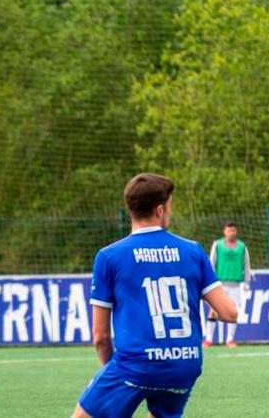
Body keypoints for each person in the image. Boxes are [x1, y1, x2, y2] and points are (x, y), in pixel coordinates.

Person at [71, 173, 238, 418]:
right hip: (184, 366)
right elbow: (229, 313)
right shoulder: (193, 251)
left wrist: (110, 370)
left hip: (134, 365)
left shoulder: (109, 256)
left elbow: (101, 336)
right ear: (160, 211)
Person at [204, 222, 252, 348]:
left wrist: (246, 283)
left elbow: (246, 265)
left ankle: (230, 339)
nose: (231, 233)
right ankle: (208, 339)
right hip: (220, 284)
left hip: (235, 284)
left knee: (233, 312)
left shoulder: (242, 247)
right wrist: (210, 282)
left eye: (234, 231)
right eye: (229, 230)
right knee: (213, 311)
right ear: (224, 231)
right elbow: (211, 264)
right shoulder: (218, 245)